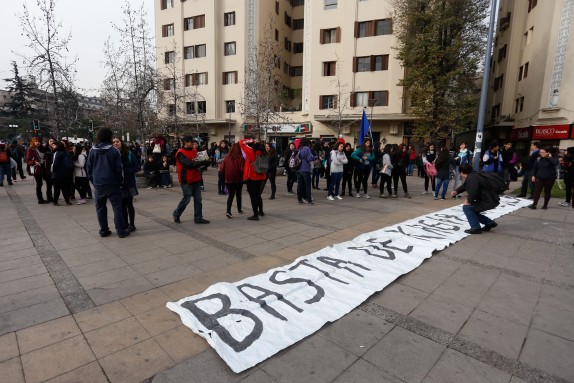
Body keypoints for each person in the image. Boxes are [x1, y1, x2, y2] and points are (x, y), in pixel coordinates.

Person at [86, 128, 129, 238]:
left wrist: (93, 180)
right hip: (113, 183)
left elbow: (89, 168)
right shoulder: (114, 151)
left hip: (98, 184)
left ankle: (103, 230)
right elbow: (119, 169)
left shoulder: (92, 150)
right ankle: (121, 230)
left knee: (100, 208)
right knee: (117, 207)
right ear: (109, 137)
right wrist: (120, 181)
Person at [452, 163, 499, 234]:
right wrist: (456, 191)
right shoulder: (473, 175)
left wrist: (469, 201)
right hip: (489, 198)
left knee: (467, 208)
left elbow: (473, 191)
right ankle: (489, 223)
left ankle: (476, 228)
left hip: (488, 200)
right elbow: (465, 185)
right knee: (473, 211)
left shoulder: (472, 178)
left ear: (461, 173)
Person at [173, 137, 210, 224]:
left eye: (193, 142)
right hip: (186, 179)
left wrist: (206, 162)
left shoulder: (194, 150)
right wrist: (201, 162)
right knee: (187, 199)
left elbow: (197, 161)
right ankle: (176, 213)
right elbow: (188, 164)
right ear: (185, 142)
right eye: (191, 142)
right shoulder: (180, 153)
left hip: (196, 178)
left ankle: (198, 218)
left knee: (198, 200)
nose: (193, 144)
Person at [113, 137, 140, 232]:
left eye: (117, 141)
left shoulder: (129, 154)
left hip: (128, 183)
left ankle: (132, 225)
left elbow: (137, 167)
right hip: (117, 184)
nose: (115, 143)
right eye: (113, 142)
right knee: (121, 205)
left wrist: (125, 171)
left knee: (129, 204)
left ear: (121, 142)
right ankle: (124, 223)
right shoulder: (111, 154)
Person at [239, 137, 267, 220]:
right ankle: (261, 211)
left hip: (252, 177)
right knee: (258, 195)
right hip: (261, 176)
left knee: (253, 196)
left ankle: (255, 215)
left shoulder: (252, 152)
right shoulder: (263, 153)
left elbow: (241, 142)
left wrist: (251, 140)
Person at [220, 142, 245, 218]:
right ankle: (239, 209)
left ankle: (228, 211)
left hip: (229, 179)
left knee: (231, 195)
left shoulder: (227, 157)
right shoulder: (241, 158)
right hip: (238, 179)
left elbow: (222, 169)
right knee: (238, 194)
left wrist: (225, 175)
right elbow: (242, 169)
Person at [25, 137, 52, 203]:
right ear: (33, 142)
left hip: (45, 168)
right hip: (37, 169)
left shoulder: (43, 148)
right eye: (36, 141)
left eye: (39, 141)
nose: (38, 142)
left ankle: (49, 197)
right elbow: (28, 160)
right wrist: (34, 162)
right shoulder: (31, 149)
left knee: (49, 182)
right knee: (39, 184)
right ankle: (40, 199)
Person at [295, 138, 318, 205]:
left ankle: (299, 199)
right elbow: (309, 158)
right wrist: (316, 157)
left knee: (299, 185)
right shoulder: (307, 148)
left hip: (298, 169)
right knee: (308, 186)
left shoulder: (299, 148)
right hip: (305, 169)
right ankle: (309, 200)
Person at [50, 141, 72, 206]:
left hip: (57, 173)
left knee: (57, 189)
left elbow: (55, 163)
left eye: (54, 145)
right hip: (65, 173)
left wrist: (52, 171)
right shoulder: (66, 152)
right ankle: (67, 201)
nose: (53, 146)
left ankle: (55, 201)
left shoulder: (57, 153)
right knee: (64, 188)